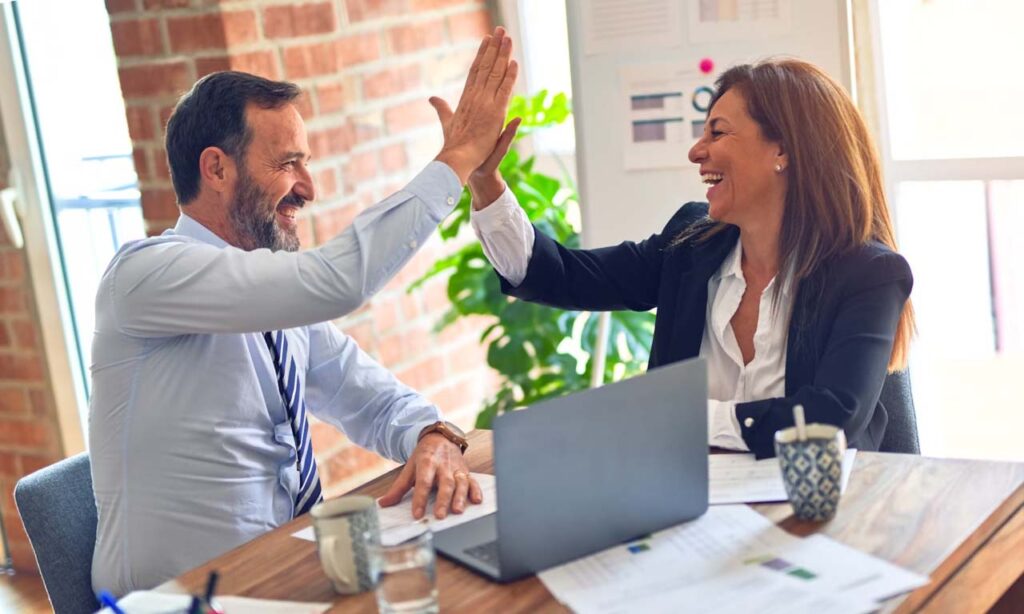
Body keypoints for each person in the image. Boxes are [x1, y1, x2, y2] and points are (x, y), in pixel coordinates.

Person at [90, 28, 519, 596]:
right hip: (177, 600)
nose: (308, 188)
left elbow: (368, 396)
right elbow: (336, 281)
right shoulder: (145, 276)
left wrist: (431, 434)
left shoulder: (272, 298)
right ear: (216, 169)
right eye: (288, 163)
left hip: (280, 577)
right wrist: (458, 158)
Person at [468, 58, 914, 459]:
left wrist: (682, 420)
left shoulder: (869, 275)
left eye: (717, 132)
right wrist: (485, 181)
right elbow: (561, 275)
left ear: (782, 151)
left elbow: (831, 419)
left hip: (819, 517)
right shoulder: (692, 243)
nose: (696, 151)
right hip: (689, 508)